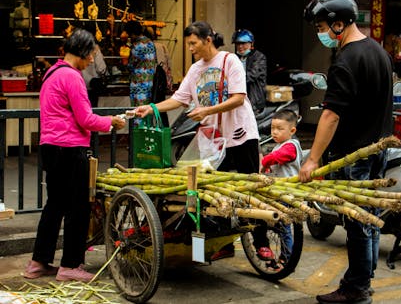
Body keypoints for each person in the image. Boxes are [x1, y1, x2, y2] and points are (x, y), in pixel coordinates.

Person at [134, 21, 260, 260]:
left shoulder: (229, 61)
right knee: (203, 194)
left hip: (240, 136)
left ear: (207, 40)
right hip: (212, 141)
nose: (190, 48)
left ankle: (261, 240)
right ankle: (216, 246)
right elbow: (180, 100)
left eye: (193, 43)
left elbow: (238, 98)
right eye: (188, 44)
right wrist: (151, 109)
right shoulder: (195, 70)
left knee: (252, 190)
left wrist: (206, 111)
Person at [300, 0, 393, 304]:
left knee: (356, 222)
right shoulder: (378, 52)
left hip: (355, 154)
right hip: (377, 149)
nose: (321, 33)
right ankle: (365, 277)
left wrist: (312, 159)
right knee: (369, 217)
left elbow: (331, 114)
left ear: (339, 24)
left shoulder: (346, 60)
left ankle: (356, 288)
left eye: (322, 26)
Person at [24, 29, 126, 282]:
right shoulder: (72, 77)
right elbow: (86, 118)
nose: (92, 60)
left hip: (50, 146)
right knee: (78, 208)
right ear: (81, 51)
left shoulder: (52, 73)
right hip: (70, 148)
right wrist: (111, 121)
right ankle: (71, 265)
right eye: (91, 54)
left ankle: (38, 262)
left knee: (54, 206)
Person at [260, 109, 303, 267]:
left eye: (280, 129)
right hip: (281, 192)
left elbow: (279, 157)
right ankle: (284, 256)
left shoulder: (290, 145)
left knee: (284, 227)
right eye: (273, 128)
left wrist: (265, 161)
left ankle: (286, 257)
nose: (275, 132)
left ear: (292, 130)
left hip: (288, 193)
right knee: (282, 226)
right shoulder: (280, 144)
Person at [123, 20, 157, 125]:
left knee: (138, 111)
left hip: (138, 83)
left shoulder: (136, 46)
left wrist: (124, 63)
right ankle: (147, 133)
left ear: (132, 33)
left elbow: (130, 65)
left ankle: (138, 135)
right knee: (148, 111)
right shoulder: (150, 43)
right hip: (150, 82)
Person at [231, 29, 267, 114]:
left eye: (243, 43)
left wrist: (232, 81)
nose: (240, 46)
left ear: (251, 44)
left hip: (253, 102)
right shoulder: (234, 57)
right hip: (237, 100)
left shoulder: (258, 57)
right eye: (238, 44)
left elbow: (251, 75)